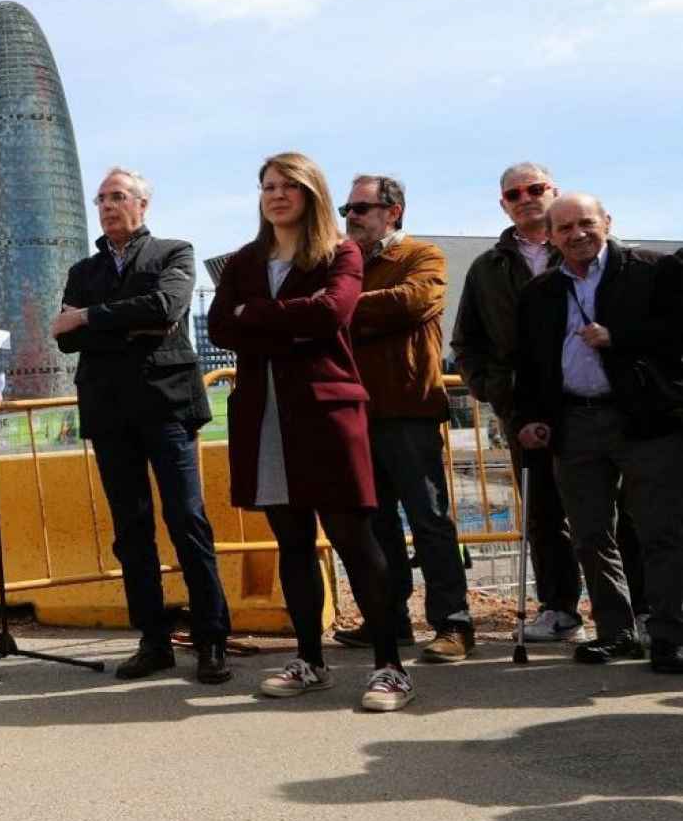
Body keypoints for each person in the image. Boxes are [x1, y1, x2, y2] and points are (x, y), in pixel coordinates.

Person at [208, 152, 413, 712]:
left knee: (354, 539)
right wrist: (281, 321)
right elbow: (222, 324)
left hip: (325, 413)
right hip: (265, 415)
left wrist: (260, 317)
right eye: (268, 186)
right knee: (292, 542)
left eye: (289, 186)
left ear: (311, 194)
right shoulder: (246, 261)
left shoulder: (338, 252)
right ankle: (310, 660)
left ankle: (390, 666)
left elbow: (333, 314)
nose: (276, 195)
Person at [451, 163, 646, 643]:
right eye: (514, 194)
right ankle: (560, 608)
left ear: (553, 192)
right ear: (504, 204)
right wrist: (495, 388)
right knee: (543, 512)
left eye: (535, 189)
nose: (525, 198)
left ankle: (640, 612)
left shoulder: (595, 252)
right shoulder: (487, 268)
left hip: (607, 401)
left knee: (628, 511)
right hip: (528, 408)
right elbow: (467, 341)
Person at [51, 167, 231, 683]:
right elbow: (64, 338)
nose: (108, 206)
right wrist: (130, 324)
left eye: (119, 196)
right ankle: (153, 640)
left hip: (167, 405)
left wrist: (90, 319)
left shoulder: (174, 251)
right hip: (109, 411)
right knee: (131, 532)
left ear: (143, 204)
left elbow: (166, 306)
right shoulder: (83, 271)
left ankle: (211, 639)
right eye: (101, 198)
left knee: (187, 521)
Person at [513, 194, 683, 671]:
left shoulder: (652, 270)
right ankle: (617, 632)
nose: (577, 234)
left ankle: (671, 635)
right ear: (550, 235)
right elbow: (528, 364)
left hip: (645, 420)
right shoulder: (541, 292)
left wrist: (618, 337)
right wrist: (529, 417)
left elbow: (677, 334)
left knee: (661, 531)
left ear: (607, 221)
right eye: (564, 228)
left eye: (586, 223)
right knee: (589, 534)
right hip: (574, 423)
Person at [337, 175, 474, 661]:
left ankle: (452, 624)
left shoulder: (421, 256)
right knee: (376, 525)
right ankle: (389, 622)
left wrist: (341, 308)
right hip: (356, 411)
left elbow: (414, 301)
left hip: (408, 409)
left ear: (393, 211)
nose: (350, 216)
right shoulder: (345, 262)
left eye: (360, 207)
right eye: (346, 209)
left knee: (429, 518)